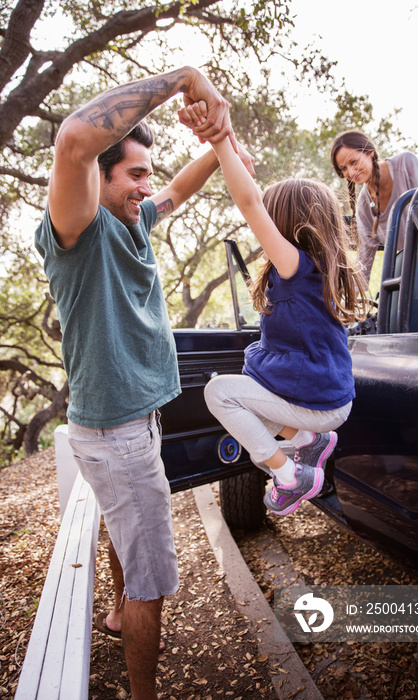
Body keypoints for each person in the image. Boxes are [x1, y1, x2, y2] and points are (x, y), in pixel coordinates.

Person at [34, 67, 252, 700]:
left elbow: (179, 190)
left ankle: (114, 612)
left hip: (127, 426)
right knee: (152, 582)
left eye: (146, 177)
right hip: (117, 436)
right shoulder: (76, 231)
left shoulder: (131, 220)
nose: (145, 188)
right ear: (96, 180)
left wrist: (221, 145)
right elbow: (74, 138)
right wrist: (186, 78)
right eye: (133, 176)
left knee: (122, 531)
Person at [179, 101, 367, 516]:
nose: (260, 217)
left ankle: (290, 474)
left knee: (221, 393)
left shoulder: (295, 265)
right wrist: (229, 142)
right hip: (329, 399)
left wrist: (220, 140)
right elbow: (253, 195)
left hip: (319, 403)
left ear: (281, 222)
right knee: (248, 393)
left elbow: (248, 203)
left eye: (268, 213)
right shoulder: (321, 268)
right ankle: (304, 443)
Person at [330, 130, 418, 284]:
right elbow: (365, 256)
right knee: (394, 294)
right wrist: (353, 295)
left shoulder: (405, 164)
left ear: (369, 152)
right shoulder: (364, 204)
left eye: (353, 162)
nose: (350, 172)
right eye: (344, 168)